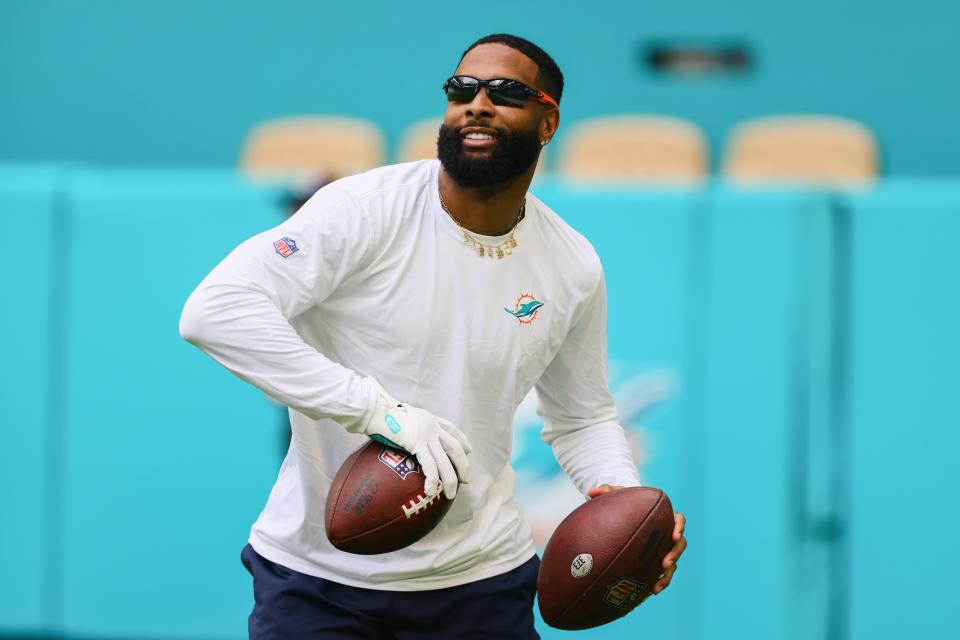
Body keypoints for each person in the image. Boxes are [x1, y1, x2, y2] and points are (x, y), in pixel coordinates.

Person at [179, 33, 687, 639]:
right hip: (317, 580)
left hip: (481, 584)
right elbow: (215, 310)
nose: (477, 103)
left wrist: (626, 509)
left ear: (546, 120)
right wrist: (378, 412)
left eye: (506, 92)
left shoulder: (572, 263)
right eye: (461, 89)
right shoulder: (364, 209)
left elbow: (582, 418)